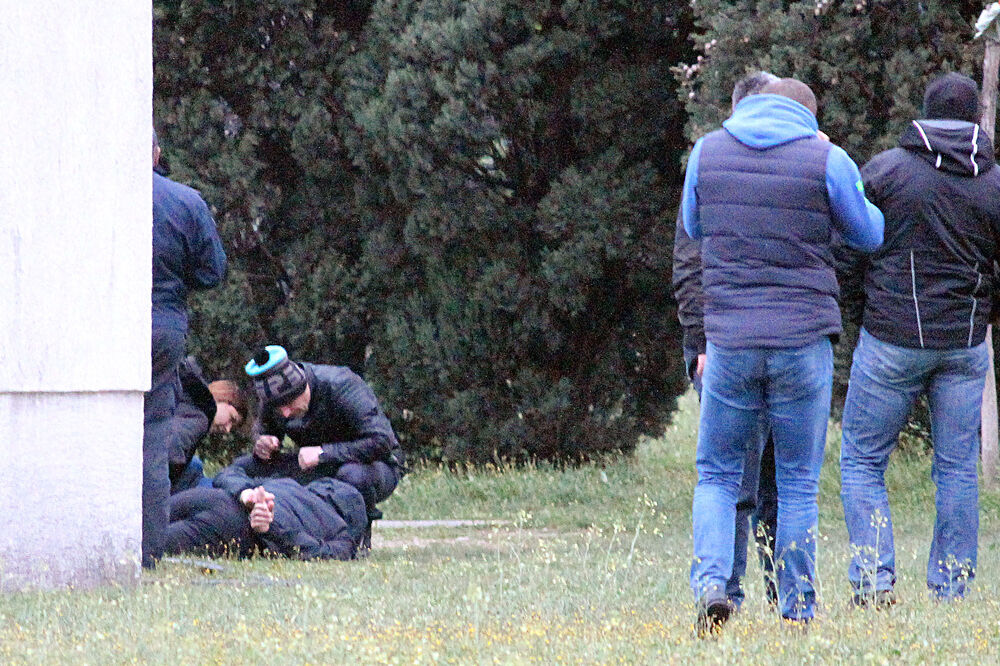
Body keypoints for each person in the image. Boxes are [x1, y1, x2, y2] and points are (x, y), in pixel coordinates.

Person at [681, 77, 884, 632]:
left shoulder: (707, 150)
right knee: (797, 480)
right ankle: (798, 608)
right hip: (803, 341)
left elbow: (694, 226)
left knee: (718, 474)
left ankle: (711, 587)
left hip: (730, 340)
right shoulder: (826, 156)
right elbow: (869, 234)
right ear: (807, 116)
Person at [838, 72, 1000, 605]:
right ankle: (951, 586)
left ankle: (874, 580)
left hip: (890, 337)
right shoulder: (993, 181)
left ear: (923, 113)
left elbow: (848, 250)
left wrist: (857, 312)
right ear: (977, 116)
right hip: (966, 342)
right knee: (957, 468)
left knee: (863, 461)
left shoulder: (886, 170)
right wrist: (985, 314)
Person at [673, 70, 780, 611]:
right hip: (739, 344)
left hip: (729, 342)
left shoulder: (710, 160)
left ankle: (739, 589)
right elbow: (691, 261)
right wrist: (700, 345)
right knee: (749, 480)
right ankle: (752, 591)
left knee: (748, 480)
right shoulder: (718, 163)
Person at [144, 129, 227, 568]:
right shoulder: (185, 201)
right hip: (162, 326)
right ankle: (146, 552)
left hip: (101, 325)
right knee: (152, 439)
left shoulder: (91, 197)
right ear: (157, 152)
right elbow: (212, 272)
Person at [245, 345, 405, 547]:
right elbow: (264, 431)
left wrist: (324, 453)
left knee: (351, 475)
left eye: (290, 404)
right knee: (252, 469)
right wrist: (263, 443)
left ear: (304, 387)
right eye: (278, 408)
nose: (285, 413)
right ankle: (275, 536)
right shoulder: (275, 397)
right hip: (317, 466)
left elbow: (382, 441)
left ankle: (356, 540)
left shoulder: (342, 385)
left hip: (376, 465)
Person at [169, 358, 249, 494]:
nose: (227, 429)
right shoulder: (199, 417)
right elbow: (170, 452)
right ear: (224, 399)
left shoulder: (190, 398)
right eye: (232, 418)